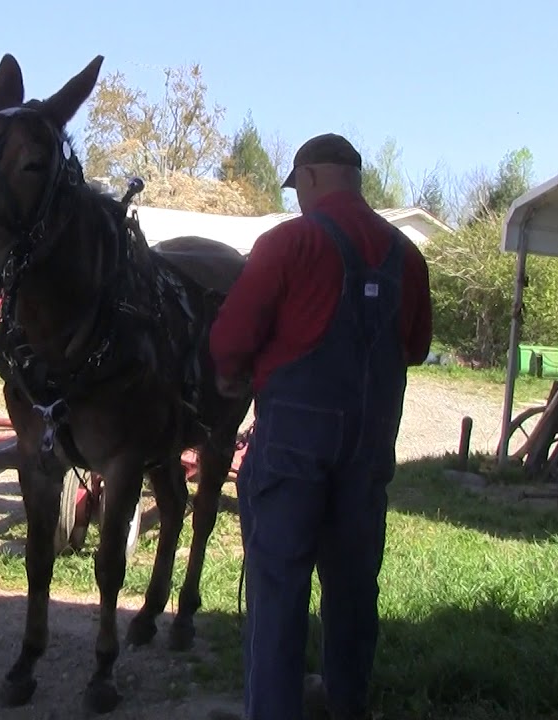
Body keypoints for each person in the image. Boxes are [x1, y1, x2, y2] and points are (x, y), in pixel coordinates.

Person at [208, 133, 434, 720]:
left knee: (280, 590)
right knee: (354, 588)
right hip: (368, 449)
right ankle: (346, 704)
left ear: (309, 179)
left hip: (292, 450)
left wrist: (233, 377)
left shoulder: (290, 241)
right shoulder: (407, 257)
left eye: (298, 188)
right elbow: (415, 347)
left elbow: (229, 339)